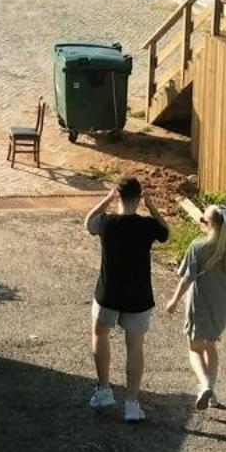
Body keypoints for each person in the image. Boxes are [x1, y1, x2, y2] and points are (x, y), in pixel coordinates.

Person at [85, 177, 169, 423]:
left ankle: (104, 389)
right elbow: (166, 233)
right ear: (139, 197)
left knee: (100, 334)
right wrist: (152, 207)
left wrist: (105, 200)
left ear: (118, 196)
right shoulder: (147, 226)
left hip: (108, 292)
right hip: (139, 295)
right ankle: (132, 403)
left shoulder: (107, 223)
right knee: (135, 347)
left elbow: (88, 223)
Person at [167, 204, 226, 410]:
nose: (201, 222)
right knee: (211, 345)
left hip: (200, 302)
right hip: (222, 305)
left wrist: (173, 301)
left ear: (210, 225)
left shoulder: (198, 247)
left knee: (195, 348)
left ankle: (205, 384)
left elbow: (187, 279)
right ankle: (212, 393)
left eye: (204, 220)